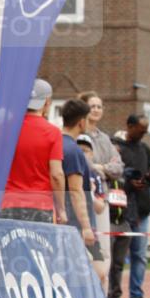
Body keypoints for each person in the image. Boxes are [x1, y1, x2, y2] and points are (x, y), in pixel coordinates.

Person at [0, 78, 66, 224]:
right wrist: (61, 209)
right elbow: (56, 174)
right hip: (40, 204)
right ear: (47, 102)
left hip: (9, 202)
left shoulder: (5, 129)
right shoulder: (53, 132)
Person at [78, 92, 124, 285]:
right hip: (80, 197)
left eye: (99, 106)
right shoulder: (78, 136)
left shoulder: (104, 138)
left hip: (101, 199)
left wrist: (100, 167)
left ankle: (102, 295)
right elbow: (81, 163)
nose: (96, 109)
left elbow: (118, 167)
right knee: (85, 247)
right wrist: (95, 166)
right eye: (92, 106)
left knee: (103, 248)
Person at [116, 114, 150, 298]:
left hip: (141, 208)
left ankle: (137, 294)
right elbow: (114, 174)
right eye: (141, 131)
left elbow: (149, 176)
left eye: (146, 131)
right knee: (117, 256)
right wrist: (127, 181)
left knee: (139, 255)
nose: (143, 135)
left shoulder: (145, 149)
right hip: (121, 209)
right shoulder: (117, 147)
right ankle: (114, 294)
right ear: (130, 126)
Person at [61, 100, 103, 278]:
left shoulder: (55, 143)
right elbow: (76, 190)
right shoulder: (73, 150)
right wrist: (86, 227)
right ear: (81, 122)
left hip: (63, 220)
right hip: (75, 223)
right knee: (98, 273)